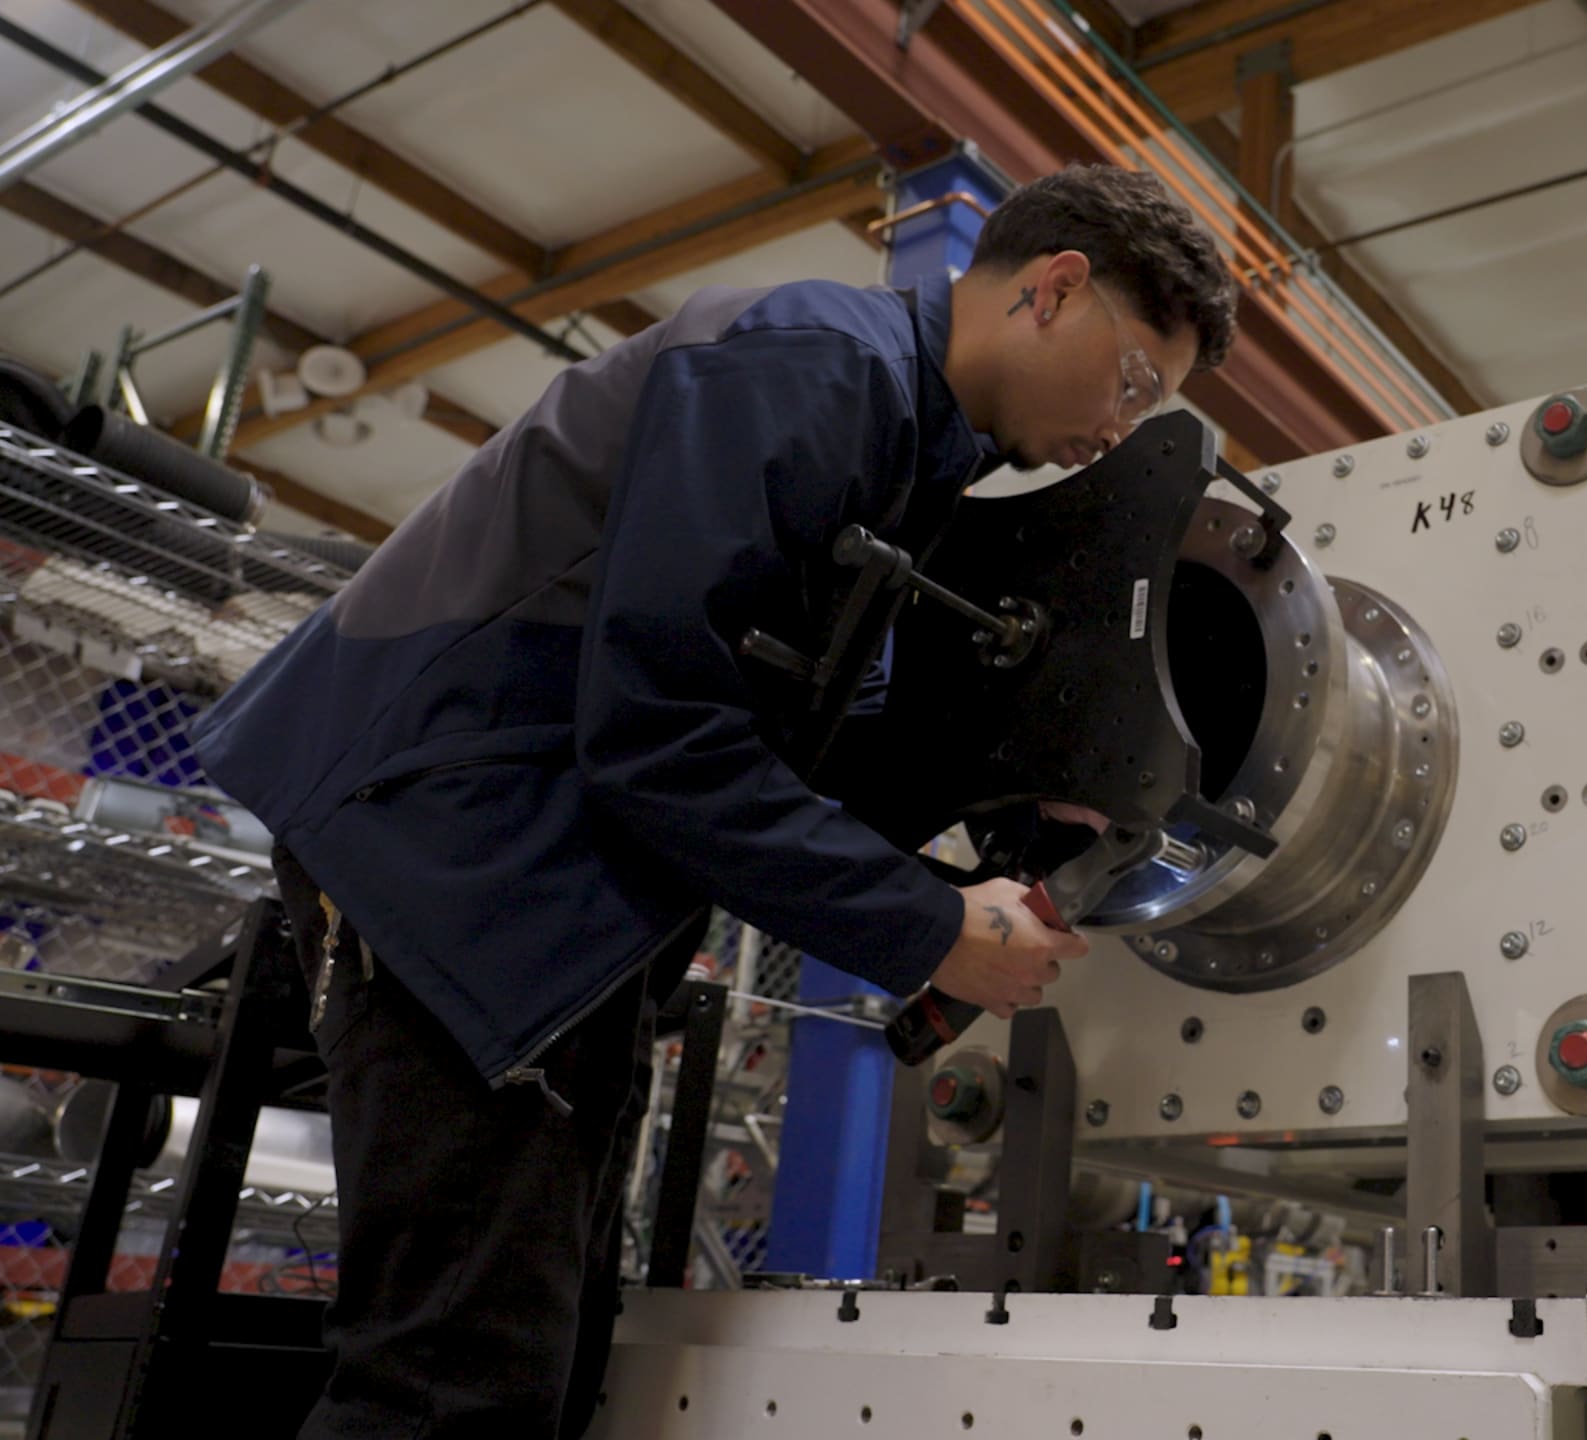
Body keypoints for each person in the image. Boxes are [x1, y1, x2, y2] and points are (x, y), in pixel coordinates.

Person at [190, 164, 1238, 1439]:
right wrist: (926, 924)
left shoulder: (905, 443)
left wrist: (1014, 824)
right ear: (1053, 291)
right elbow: (657, 736)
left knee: (543, 1354)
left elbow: (770, 746)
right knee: (450, 1382)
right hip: (454, 858)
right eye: (1134, 381)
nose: (1123, 429)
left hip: (546, 892)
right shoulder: (810, 370)